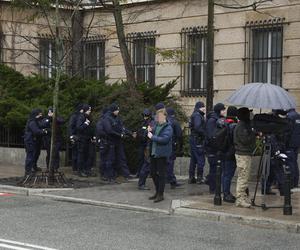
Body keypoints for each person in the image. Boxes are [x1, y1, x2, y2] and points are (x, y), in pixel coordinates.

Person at [103, 103, 135, 183]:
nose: (118, 111)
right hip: (110, 142)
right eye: (117, 110)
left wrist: (130, 133)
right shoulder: (107, 118)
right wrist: (120, 135)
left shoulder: (117, 118)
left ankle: (126, 174)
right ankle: (109, 177)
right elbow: (109, 130)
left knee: (122, 158)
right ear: (113, 110)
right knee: (110, 159)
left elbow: (122, 128)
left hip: (118, 141)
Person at [148, 103, 173, 203]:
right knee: (153, 173)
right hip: (154, 153)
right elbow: (154, 130)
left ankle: (160, 194)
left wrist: (152, 137)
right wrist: (150, 130)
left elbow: (165, 139)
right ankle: (157, 191)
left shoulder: (168, 127)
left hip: (162, 153)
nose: (157, 118)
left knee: (161, 174)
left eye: (159, 116)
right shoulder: (157, 125)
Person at [234, 107, 256, 208]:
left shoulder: (244, 125)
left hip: (245, 154)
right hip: (243, 154)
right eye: (248, 114)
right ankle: (240, 199)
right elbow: (245, 140)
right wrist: (253, 133)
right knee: (243, 176)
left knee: (244, 176)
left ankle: (243, 196)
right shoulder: (241, 126)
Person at [205, 103, 227, 193]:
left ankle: (212, 184)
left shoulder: (218, 119)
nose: (225, 111)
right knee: (214, 169)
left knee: (216, 169)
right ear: (220, 111)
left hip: (216, 149)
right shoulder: (212, 120)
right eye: (223, 109)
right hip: (213, 149)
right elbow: (211, 136)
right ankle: (213, 188)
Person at [24, 109, 48, 176]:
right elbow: (36, 131)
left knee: (35, 155)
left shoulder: (35, 121)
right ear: (36, 115)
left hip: (33, 141)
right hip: (30, 141)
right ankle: (28, 171)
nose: (41, 115)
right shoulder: (32, 122)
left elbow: (39, 127)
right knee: (30, 156)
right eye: (39, 114)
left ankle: (33, 167)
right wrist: (44, 132)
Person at [222, 106, 238, 203]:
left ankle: (224, 192)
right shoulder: (234, 125)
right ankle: (226, 194)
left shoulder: (223, 122)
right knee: (228, 174)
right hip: (230, 153)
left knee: (224, 174)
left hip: (222, 151)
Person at [188, 101, 206, 184]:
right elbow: (198, 127)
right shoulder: (198, 115)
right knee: (200, 159)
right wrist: (205, 133)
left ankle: (191, 177)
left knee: (193, 159)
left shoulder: (195, 114)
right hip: (198, 140)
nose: (205, 109)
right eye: (203, 107)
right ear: (200, 107)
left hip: (194, 139)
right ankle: (199, 177)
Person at [137, 109, 155, 190]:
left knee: (148, 164)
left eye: (146, 115)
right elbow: (143, 134)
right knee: (146, 164)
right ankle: (141, 184)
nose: (145, 117)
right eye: (144, 115)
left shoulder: (151, 122)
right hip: (148, 145)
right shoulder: (149, 123)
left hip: (148, 145)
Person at [166, 107, 183, 189]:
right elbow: (179, 135)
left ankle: (166, 178)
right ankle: (172, 180)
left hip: (164, 144)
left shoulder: (164, 121)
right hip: (172, 145)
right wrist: (179, 147)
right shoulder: (174, 122)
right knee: (170, 163)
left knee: (166, 162)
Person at [76, 104, 92, 177]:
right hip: (82, 139)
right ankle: (80, 171)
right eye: (89, 110)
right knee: (81, 155)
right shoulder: (81, 117)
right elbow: (78, 128)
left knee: (86, 155)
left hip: (87, 139)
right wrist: (85, 124)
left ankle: (85, 170)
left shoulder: (87, 117)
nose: (90, 111)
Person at [286, 108, 300, 188]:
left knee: (290, 162)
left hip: (290, 143)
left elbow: (288, 130)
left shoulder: (290, 116)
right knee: (294, 162)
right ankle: (295, 181)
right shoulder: (298, 116)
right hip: (297, 143)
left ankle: (290, 183)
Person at [68, 104, 83, 173]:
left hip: (77, 136)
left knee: (76, 153)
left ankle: (76, 168)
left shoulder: (77, 116)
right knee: (75, 153)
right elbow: (71, 127)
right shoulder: (75, 116)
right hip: (75, 136)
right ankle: (75, 168)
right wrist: (72, 136)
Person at [96, 107, 109, 179]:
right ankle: (102, 174)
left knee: (105, 158)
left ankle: (104, 174)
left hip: (104, 141)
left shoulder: (102, 120)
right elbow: (100, 131)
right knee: (103, 159)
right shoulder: (102, 121)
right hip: (103, 142)